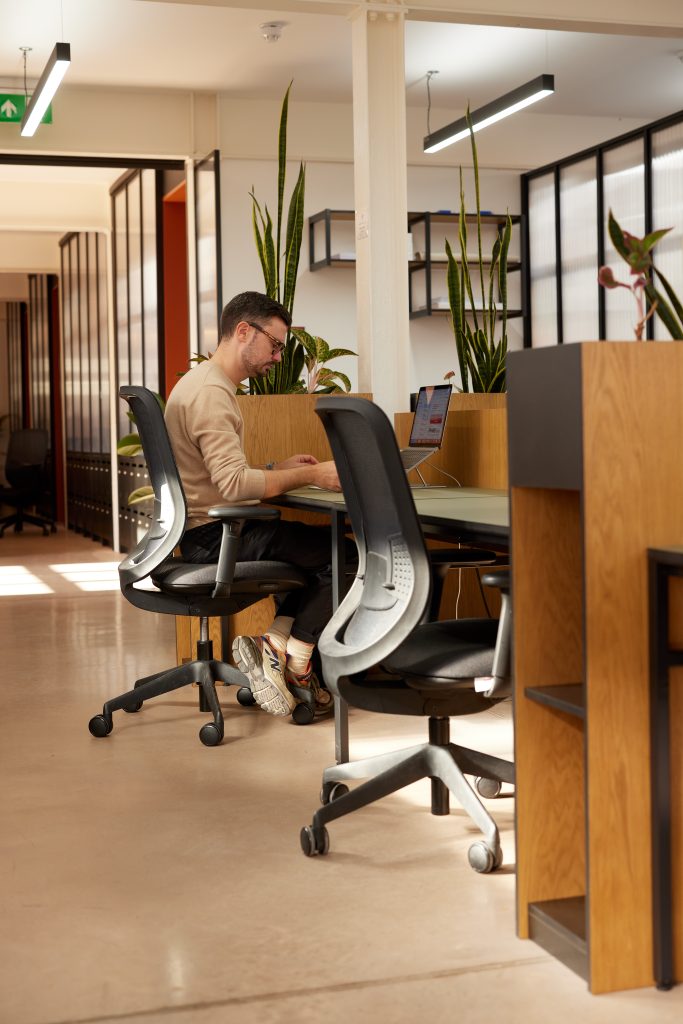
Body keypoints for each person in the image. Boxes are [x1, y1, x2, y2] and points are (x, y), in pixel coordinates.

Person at [165, 290, 351, 720]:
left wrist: (273, 468)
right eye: (276, 344)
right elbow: (231, 484)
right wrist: (311, 474)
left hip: (206, 530)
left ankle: (276, 645)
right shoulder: (212, 393)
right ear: (244, 332)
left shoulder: (201, 384)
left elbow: (216, 473)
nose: (278, 357)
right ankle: (298, 660)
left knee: (320, 553)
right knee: (347, 556)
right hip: (215, 537)